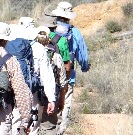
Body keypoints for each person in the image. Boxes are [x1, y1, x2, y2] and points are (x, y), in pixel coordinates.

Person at [9, 18, 57, 135]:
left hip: (12, 92)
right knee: (32, 127)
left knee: (13, 125)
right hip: (32, 91)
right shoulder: (39, 48)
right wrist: (51, 98)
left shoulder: (8, 47)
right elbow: (46, 74)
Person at [50, 2, 90, 134]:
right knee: (65, 102)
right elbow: (82, 55)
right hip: (68, 74)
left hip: (48, 75)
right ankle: (60, 130)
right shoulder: (74, 32)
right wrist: (84, 67)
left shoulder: (48, 30)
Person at [36, 26, 68, 135]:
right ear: (49, 38)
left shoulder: (30, 55)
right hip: (51, 96)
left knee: (32, 127)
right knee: (49, 128)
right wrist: (62, 100)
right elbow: (62, 81)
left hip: (34, 95)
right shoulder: (56, 56)